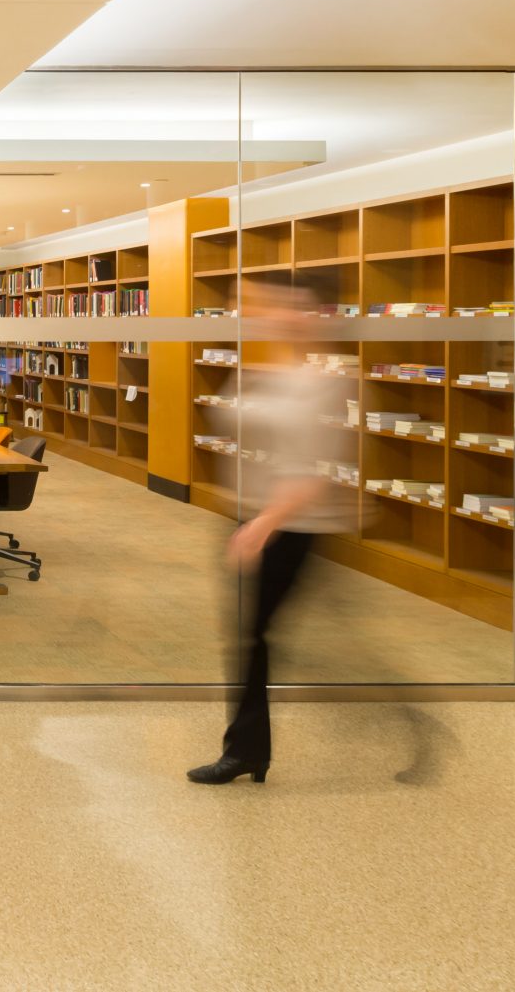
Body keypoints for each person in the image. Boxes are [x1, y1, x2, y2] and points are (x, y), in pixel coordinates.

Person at [188, 284, 355, 786]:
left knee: (256, 636)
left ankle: (246, 750)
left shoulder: (326, 381)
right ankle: (248, 749)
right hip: (255, 520)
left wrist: (265, 522)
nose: (267, 314)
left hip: (289, 526)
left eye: (283, 305)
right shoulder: (269, 372)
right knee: (252, 635)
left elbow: (313, 470)